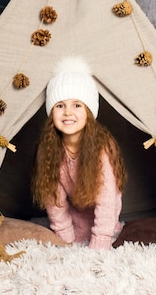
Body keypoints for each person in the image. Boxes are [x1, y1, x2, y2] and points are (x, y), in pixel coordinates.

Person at [31, 56, 127, 250]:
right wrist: (65, 236)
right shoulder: (48, 148)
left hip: (104, 223)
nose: (67, 112)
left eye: (77, 105)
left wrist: (100, 241)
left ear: (89, 112)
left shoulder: (101, 147)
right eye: (60, 105)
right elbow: (54, 198)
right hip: (73, 223)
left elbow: (108, 199)